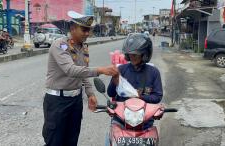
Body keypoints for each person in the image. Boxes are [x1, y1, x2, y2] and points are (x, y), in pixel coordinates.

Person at [42, 11, 118, 146]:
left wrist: (90, 93)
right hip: (57, 102)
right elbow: (71, 70)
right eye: (84, 30)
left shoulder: (83, 47)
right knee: (55, 141)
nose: (87, 33)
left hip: (75, 101)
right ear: (72, 29)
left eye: (89, 30)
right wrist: (100, 70)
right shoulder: (61, 45)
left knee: (72, 140)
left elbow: (83, 73)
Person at [107, 33, 163, 129]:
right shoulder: (121, 69)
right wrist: (114, 79)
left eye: (135, 54)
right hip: (121, 119)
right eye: (130, 54)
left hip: (145, 120)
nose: (132, 56)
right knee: (111, 140)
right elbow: (110, 93)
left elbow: (157, 96)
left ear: (145, 54)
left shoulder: (153, 72)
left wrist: (140, 97)